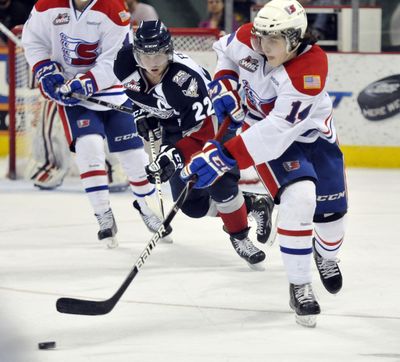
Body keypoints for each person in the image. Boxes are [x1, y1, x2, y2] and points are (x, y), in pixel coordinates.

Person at [182, 0, 348, 327]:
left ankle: (325, 255)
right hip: (270, 140)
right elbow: (224, 50)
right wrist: (226, 81)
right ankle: (300, 286)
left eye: (274, 41)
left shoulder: (310, 68)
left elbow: (280, 129)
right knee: (299, 200)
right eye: (260, 38)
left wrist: (224, 156)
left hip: (311, 139)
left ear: (296, 39)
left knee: (332, 221)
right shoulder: (251, 38)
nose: (262, 46)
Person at [113, 20, 274, 270]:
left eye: (159, 54)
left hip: (214, 126)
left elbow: (203, 134)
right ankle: (255, 204)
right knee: (192, 205)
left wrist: (174, 155)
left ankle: (240, 236)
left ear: (168, 51)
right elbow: (139, 96)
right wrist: (142, 113)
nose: (153, 63)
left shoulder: (186, 82)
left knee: (218, 181)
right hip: (176, 128)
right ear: (136, 54)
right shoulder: (123, 64)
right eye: (146, 56)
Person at [21, 0, 171, 248]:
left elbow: (116, 58)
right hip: (73, 93)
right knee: (89, 146)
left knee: (133, 154)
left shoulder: (114, 8)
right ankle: (103, 214)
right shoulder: (46, 5)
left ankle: (148, 208)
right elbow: (33, 40)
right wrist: (45, 70)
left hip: (112, 89)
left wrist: (88, 82)